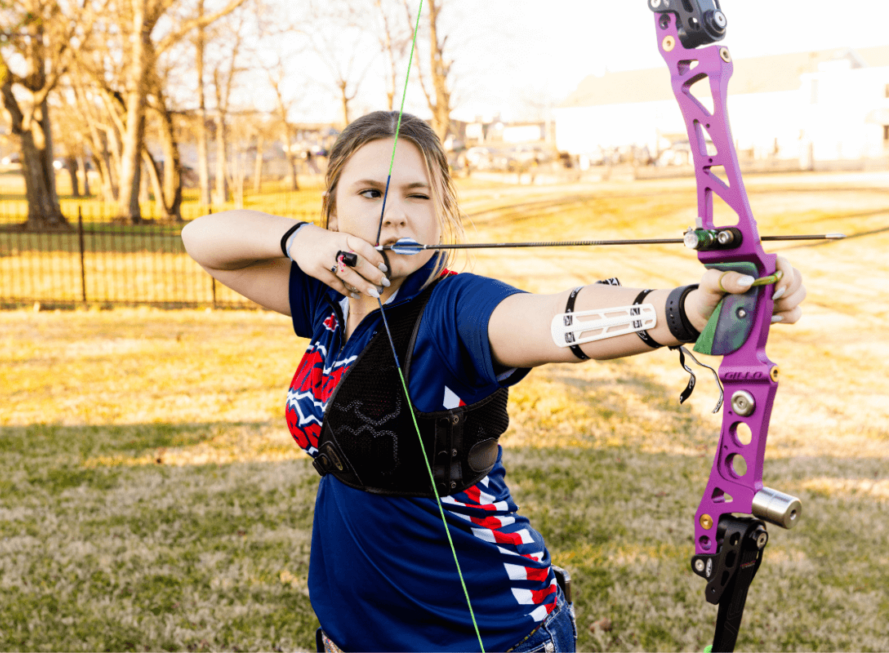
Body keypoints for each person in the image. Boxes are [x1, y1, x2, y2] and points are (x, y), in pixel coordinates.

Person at [181, 111, 805, 653]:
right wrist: (297, 240)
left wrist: (686, 308)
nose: (393, 213)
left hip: (487, 634)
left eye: (418, 196)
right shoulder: (326, 296)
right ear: (333, 208)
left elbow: (553, 321)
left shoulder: (456, 311)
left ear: (442, 214)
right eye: (369, 192)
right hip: (356, 633)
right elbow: (200, 240)